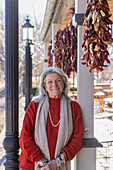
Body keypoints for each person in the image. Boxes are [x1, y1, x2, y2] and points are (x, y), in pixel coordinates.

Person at [19, 67, 83, 170]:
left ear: (64, 83)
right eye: (49, 82)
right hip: (31, 164)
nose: (54, 85)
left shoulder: (74, 108)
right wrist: (43, 162)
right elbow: (24, 137)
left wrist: (57, 163)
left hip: (60, 165)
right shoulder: (34, 106)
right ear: (44, 86)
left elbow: (77, 139)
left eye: (58, 81)